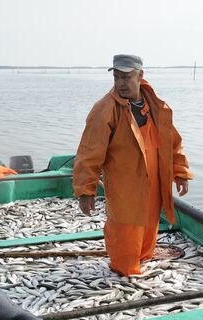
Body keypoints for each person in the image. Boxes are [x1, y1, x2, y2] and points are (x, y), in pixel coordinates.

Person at [73, 54, 193, 276]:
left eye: (126, 77)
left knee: (150, 224)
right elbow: (89, 153)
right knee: (126, 228)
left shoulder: (157, 106)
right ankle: (124, 272)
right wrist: (85, 191)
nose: (120, 83)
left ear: (140, 76)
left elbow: (173, 143)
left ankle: (144, 259)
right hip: (125, 185)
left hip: (155, 182)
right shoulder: (104, 109)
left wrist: (180, 172)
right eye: (117, 77)